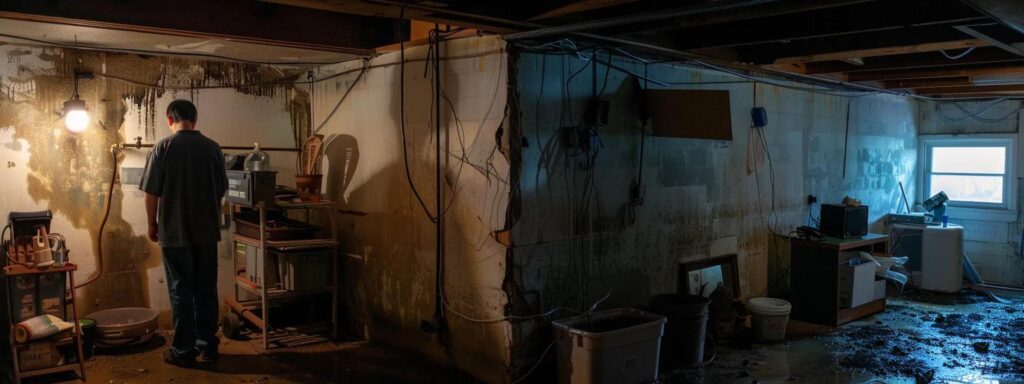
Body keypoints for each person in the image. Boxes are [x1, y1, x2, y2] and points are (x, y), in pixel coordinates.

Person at [140, 99, 227, 367]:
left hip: (174, 234)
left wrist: (152, 224)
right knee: (206, 291)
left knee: (181, 292)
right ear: (195, 120)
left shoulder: (162, 148)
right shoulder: (213, 148)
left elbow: (151, 192)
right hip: (206, 233)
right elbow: (221, 188)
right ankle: (208, 348)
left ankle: (183, 351)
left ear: (169, 120)